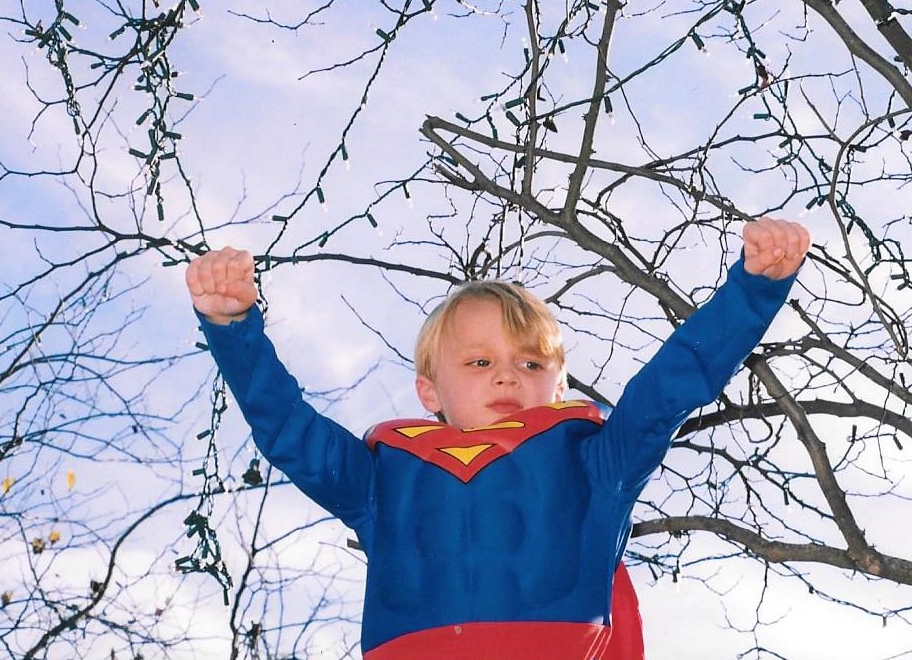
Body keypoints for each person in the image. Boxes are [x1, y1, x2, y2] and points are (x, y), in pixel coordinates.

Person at [186, 217, 810, 660]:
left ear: (559, 386)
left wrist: (752, 292)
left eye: (531, 362)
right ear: (430, 391)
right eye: (479, 362)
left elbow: (670, 387)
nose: (508, 374)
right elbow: (288, 429)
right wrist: (233, 327)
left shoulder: (595, 461)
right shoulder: (385, 474)